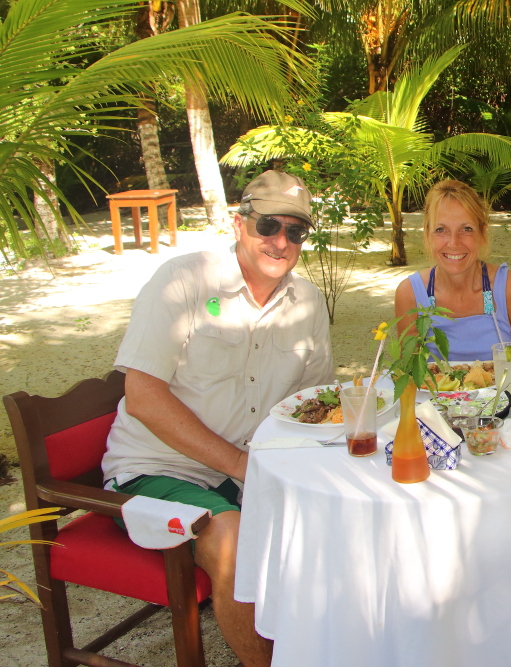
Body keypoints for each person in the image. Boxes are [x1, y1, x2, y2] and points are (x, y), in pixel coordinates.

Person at [102, 170, 334, 667]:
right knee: (232, 539)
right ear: (238, 223)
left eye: (295, 231)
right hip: (159, 470)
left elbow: (314, 404)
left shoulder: (309, 303)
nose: (280, 241)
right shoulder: (183, 280)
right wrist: (244, 466)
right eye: (268, 225)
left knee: (345, 518)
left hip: (251, 472)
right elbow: (142, 396)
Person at [394, 179, 511, 370]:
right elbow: (408, 376)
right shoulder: (409, 293)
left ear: (482, 233)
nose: (453, 242)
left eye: (466, 229)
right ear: (427, 234)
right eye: (441, 230)